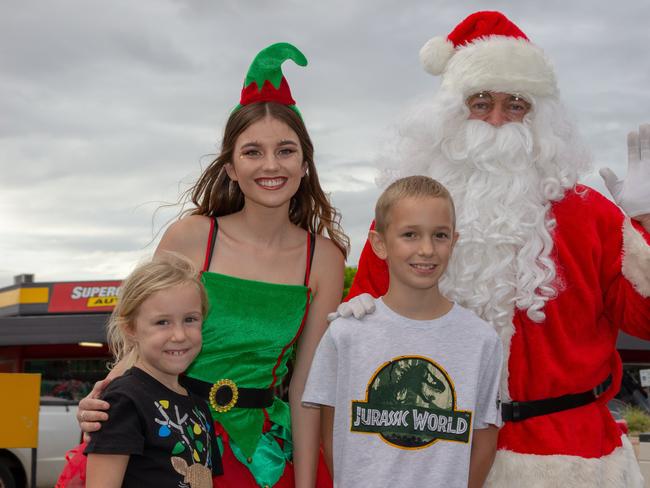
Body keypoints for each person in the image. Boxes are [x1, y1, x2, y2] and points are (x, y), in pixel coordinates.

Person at [340, 11, 650, 487]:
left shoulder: (592, 215)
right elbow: (365, 341)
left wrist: (646, 226)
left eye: (517, 105)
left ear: (542, 117)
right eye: (481, 103)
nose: (498, 121)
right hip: (435, 458)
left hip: (572, 462)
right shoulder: (405, 217)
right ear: (450, 114)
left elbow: (643, 320)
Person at [74, 43, 348, 488]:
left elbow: (305, 388)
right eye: (252, 152)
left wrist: (306, 483)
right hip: (165, 434)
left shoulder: (325, 259)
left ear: (304, 163)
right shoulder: (190, 237)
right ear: (231, 168)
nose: (271, 165)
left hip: (262, 456)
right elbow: (143, 342)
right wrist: (100, 398)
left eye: (285, 150)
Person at [303, 176, 502, 488]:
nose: (426, 249)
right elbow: (332, 436)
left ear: (454, 241)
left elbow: (484, 444)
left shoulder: (481, 340)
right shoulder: (346, 334)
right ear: (379, 244)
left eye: (440, 235)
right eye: (410, 234)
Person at [85, 254, 222, 488]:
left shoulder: (199, 406)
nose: (179, 335)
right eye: (162, 322)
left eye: (190, 319)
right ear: (130, 329)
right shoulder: (123, 401)